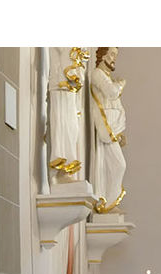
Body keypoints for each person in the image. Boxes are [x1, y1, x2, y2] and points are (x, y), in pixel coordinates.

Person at [89, 46, 127, 213]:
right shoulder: (98, 74)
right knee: (119, 165)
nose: (114, 58)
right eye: (111, 54)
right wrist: (121, 84)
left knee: (112, 165)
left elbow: (115, 104)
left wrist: (120, 133)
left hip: (112, 129)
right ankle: (107, 204)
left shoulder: (106, 77)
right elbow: (111, 93)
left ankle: (107, 202)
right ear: (102, 55)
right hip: (106, 129)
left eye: (115, 55)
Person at [47, 47, 89, 184]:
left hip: (70, 88)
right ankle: (60, 169)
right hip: (60, 84)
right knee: (62, 124)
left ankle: (67, 168)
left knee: (72, 128)